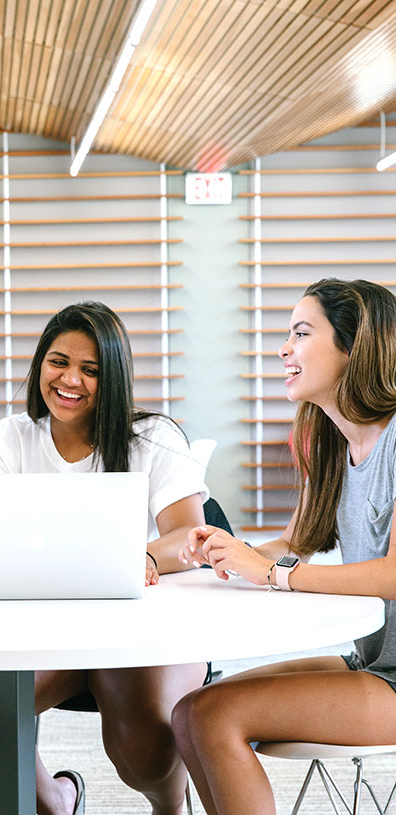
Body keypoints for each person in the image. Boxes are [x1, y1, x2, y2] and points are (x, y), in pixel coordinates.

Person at [0, 301, 210, 815]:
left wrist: (134, 557)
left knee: (144, 751)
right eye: (58, 361)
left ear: (113, 377)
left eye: (91, 369)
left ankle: (169, 807)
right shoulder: (5, 441)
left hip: (141, 631)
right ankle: (56, 801)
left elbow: (189, 535)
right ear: (39, 364)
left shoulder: (152, 438)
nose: (70, 379)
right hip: (46, 632)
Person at [171, 278, 396, 815]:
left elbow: (392, 574)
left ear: (355, 346)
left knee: (216, 717)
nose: (283, 349)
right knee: (188, 713)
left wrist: (272, 574)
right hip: (371, 663)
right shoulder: (333, 443)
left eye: (300, 333)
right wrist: (228, 550)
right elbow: (299, 542)